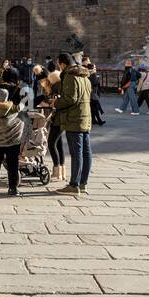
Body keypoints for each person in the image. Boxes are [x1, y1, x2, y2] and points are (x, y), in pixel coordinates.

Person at [53, 52, 92, 196]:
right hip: (85, 118)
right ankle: (82, 183)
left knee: (77, 154)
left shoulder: (70, 76)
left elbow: (70, 99)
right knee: (86, 153)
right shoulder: (85, 77)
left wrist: (56, 102)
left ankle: (74, 185)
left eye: (59, 64)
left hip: (73, 119)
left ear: (62, 64)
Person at [0, 86, 25, 195]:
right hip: (12, 139)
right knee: (13, 163)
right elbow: (21, 107)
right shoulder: (12, 107)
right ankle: (13, 188)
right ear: (6, 98)